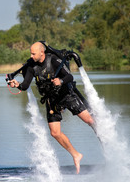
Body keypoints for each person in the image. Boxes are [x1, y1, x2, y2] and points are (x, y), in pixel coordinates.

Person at [9, 41, 95, 174]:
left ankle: (103, 134)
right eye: (30, 53)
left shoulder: (53, 60)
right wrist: (17, 85)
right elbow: (25, 85)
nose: (31, 56)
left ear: (41, 52)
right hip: (51, 100)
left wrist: (60, 81)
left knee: (89, 120)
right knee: (55, 133)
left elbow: (69, 76)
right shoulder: (31, 66)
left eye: (33, 53)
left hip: (66, 95)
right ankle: (76, 155)